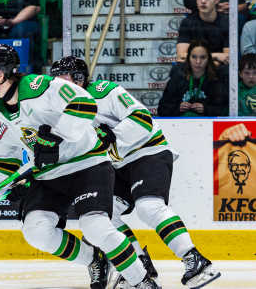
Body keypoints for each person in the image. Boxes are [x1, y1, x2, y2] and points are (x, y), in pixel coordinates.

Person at [0, 44, 159, 289]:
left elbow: (84, 102)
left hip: (88, 163)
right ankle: (94, 259)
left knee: (95, 226)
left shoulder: (39, 87)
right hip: (50, 174)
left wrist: (56, 136)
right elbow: (5, 161)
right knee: (36, 231)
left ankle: (143, 281)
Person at [50, 56, 222, 289]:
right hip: (117, 164)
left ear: (79, 79)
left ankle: (195, 260)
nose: (58, 86)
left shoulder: (105, 91)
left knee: (148, 207)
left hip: (147, 151)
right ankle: (140, 265)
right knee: (105, 215)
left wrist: (114, 135)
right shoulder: (61, 112)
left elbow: (143, 119)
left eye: (63, 80)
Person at [158, 40, 229, 117]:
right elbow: (162, 109)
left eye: (203, 57)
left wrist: (206, 109)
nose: (198, 61)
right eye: (194, 57)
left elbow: (225, 110)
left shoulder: (216, 79)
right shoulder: (177, 78)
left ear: (209, 59)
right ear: (188, 58)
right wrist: (178, 108)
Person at [177, 0, 229, 64]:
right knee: (177, 70)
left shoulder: (227, 23)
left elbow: (227, 58)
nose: (203, 1)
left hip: (217, 68)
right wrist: (216, 56)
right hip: (194, 67)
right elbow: (181, 56)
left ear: (217, 0)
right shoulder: (187, 22)